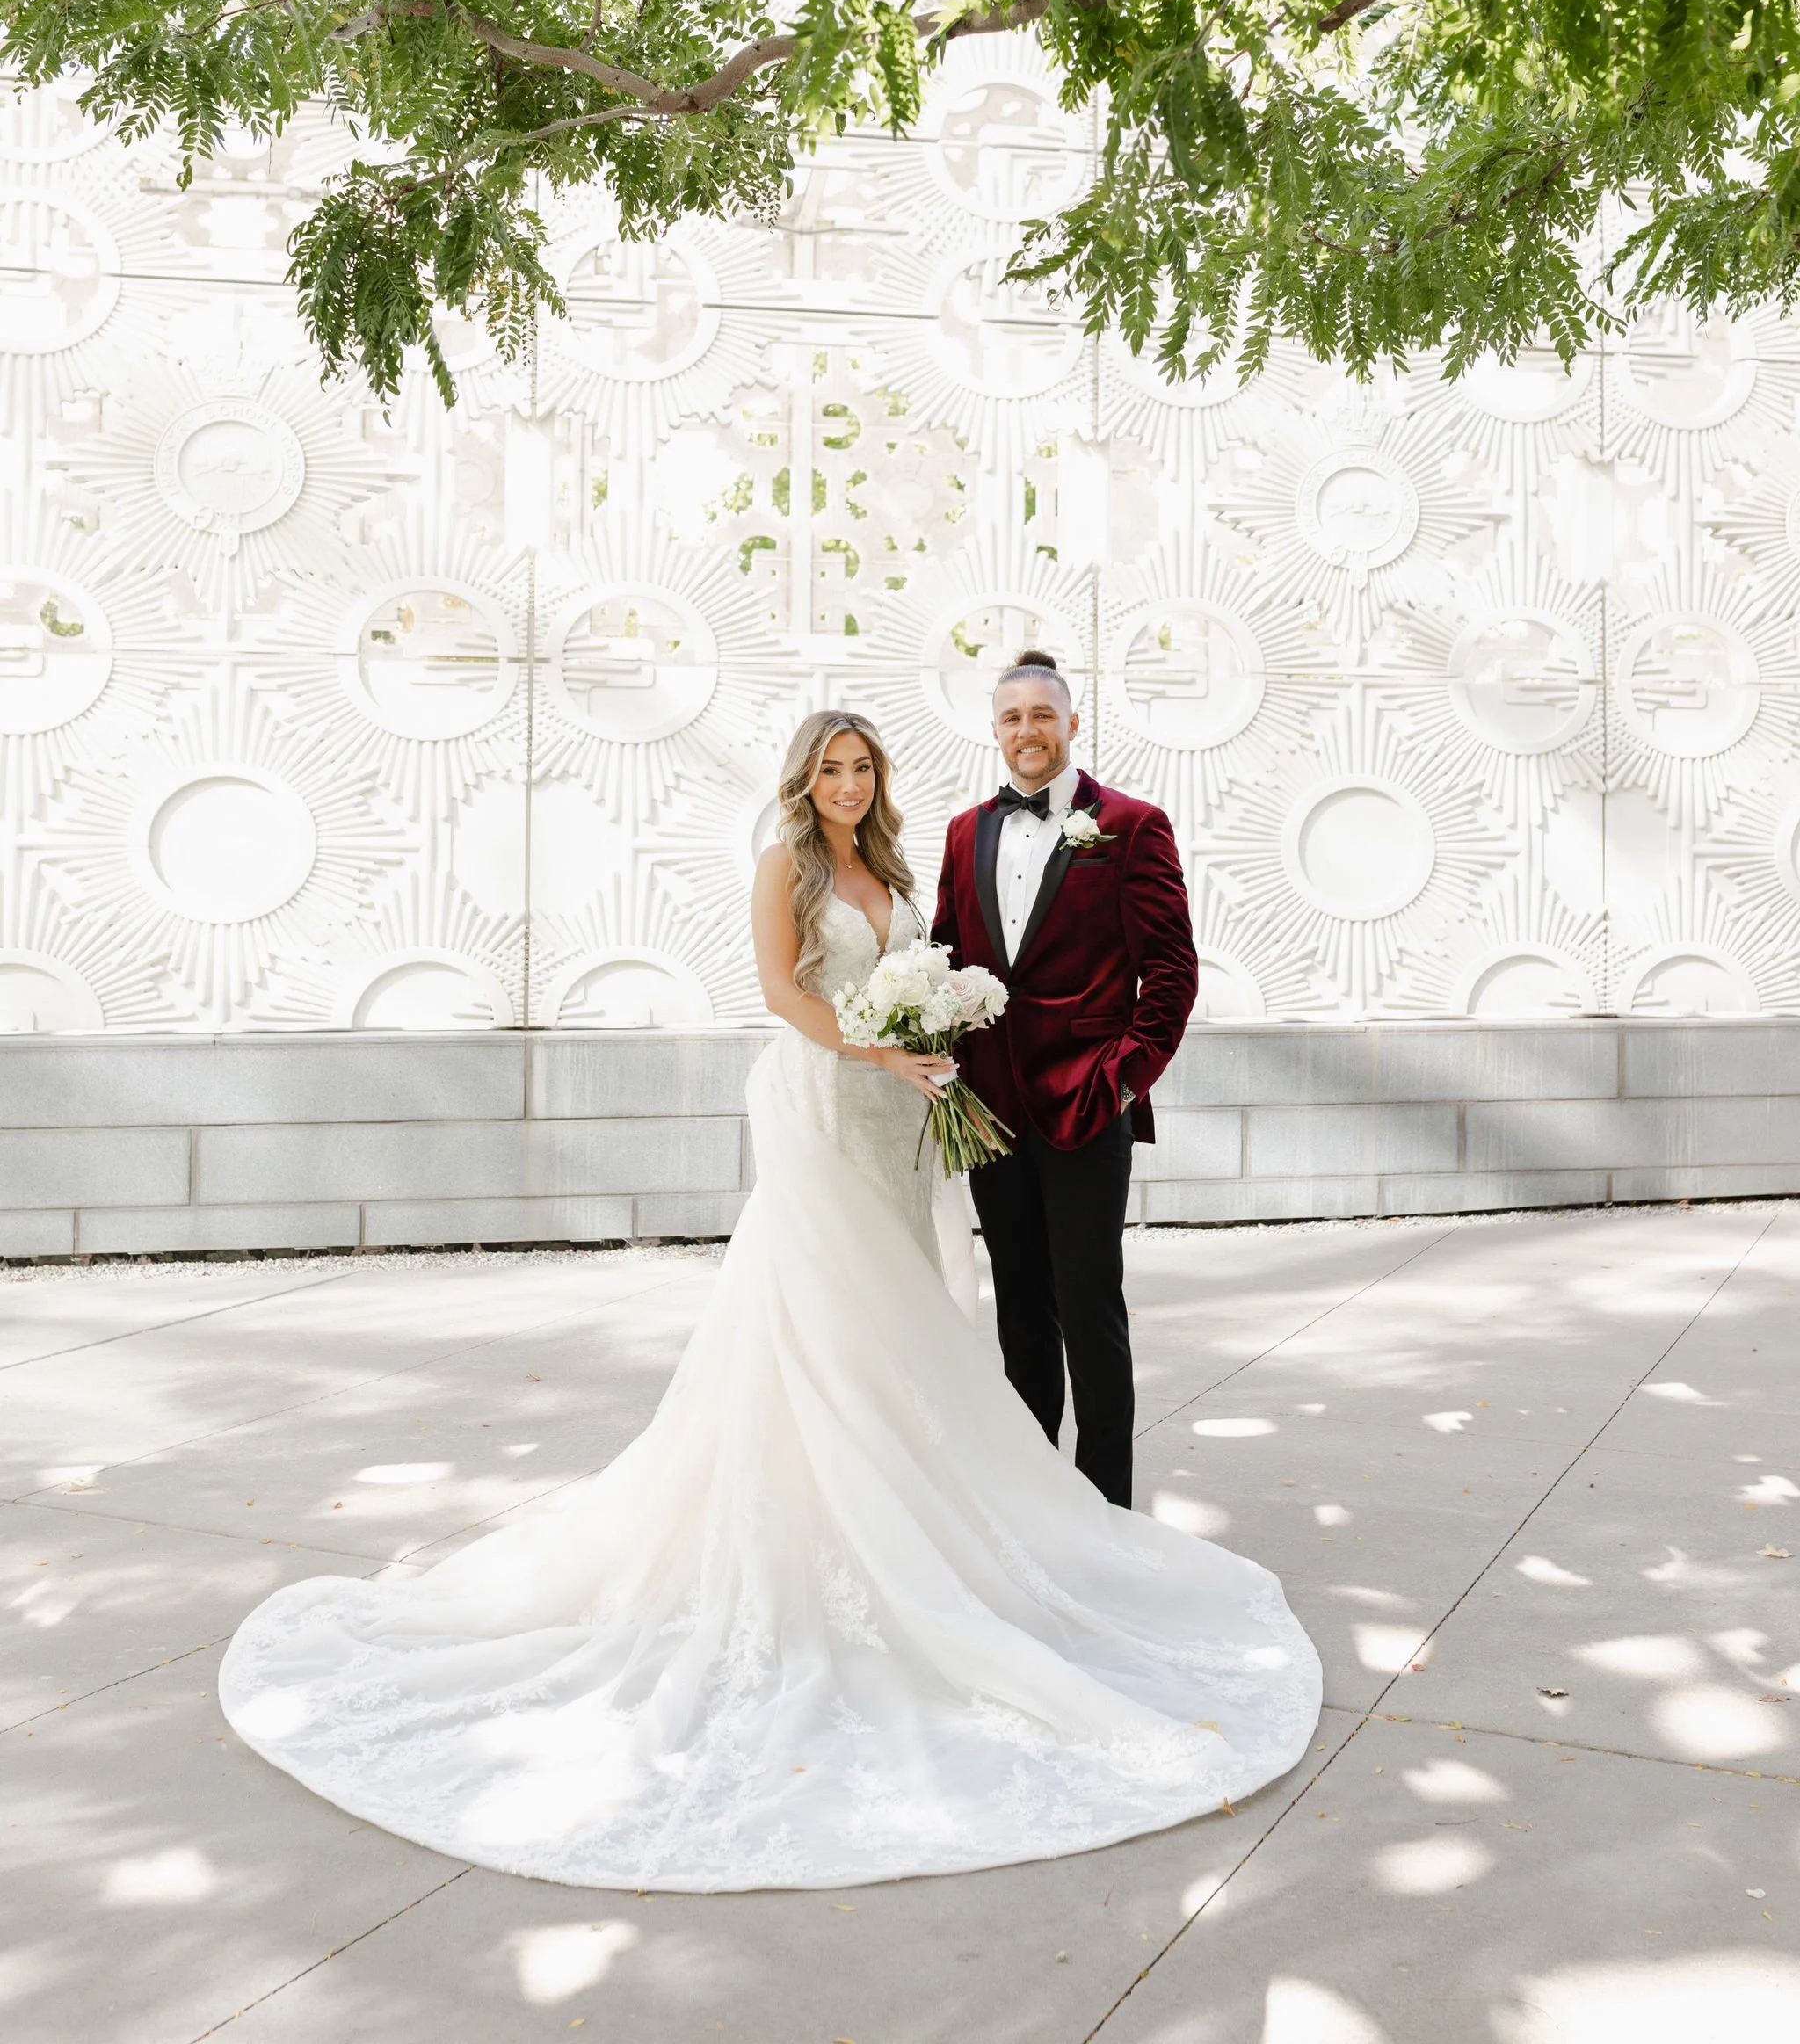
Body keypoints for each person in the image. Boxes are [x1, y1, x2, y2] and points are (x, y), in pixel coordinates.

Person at [219, 710, 1318, 1893]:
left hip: (901, 1116)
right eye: (830, 769)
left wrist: (933, 1043)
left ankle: (990, 1513)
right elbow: (782, 996)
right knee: (827, 1308)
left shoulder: (899, 865)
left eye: (862, 767)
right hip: (823, 1103)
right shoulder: (782, 865)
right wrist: (881, 1051)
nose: (847, 784)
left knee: (913, 1316)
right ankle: (840, 1530)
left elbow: (1005, 971)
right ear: (804, 779)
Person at [934, 650, 1199, 1508]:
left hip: (1087, 1101)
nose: (1027, 731)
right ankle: (1036, 1503)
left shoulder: (1131, 825)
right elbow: (947, 953)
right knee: (1019, 1311)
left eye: (1042, 715)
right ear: (995, 730)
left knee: (1090, 1311)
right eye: (1012, 717)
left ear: (1072, 723)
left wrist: (1123, 1080)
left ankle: (1106, 1511)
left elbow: (1171, 972)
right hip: (991, 1109)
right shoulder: (964, 831)